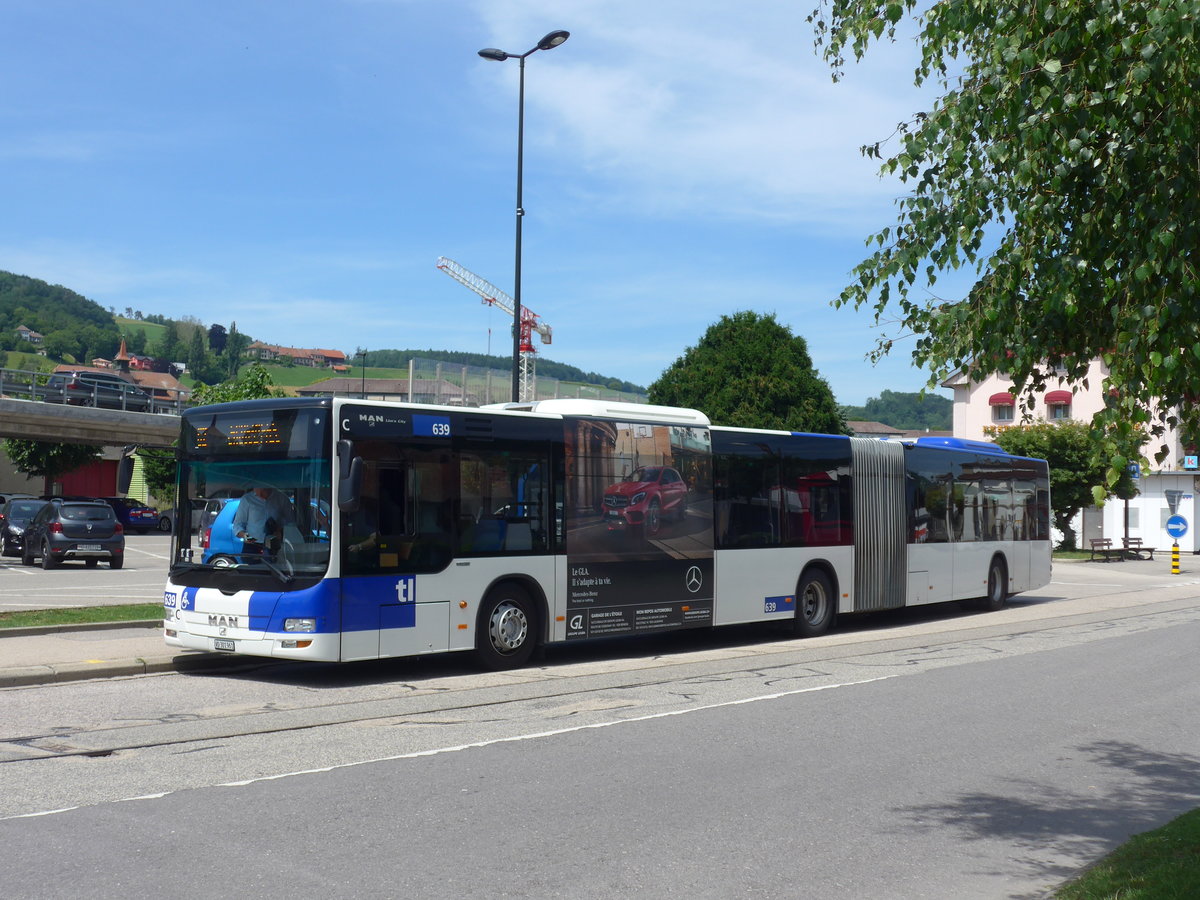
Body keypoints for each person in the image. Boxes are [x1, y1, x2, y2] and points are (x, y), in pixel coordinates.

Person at [232, 486, 293, 553]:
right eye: (257, 488)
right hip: (252, 546)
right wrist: (245, 536)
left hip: (276, 544)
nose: (260, 493)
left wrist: (281, 532)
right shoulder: (247, 499)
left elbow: (291, 523)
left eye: (263, 490)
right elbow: (237, 525)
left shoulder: (282, 499)